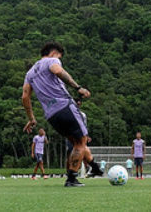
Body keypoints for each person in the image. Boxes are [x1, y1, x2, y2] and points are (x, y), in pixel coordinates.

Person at [23, 41, 103, 187]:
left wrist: (31, 119)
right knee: (81, 141)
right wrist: (78, 87)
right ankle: (71, 179)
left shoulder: (29, 74)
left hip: (51, 116)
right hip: (64, 105)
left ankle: (95, 167)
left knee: (75, 142)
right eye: (60, 56)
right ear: (54, 53)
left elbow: (25, 97)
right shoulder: (52, 60)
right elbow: (58, 71)